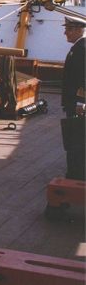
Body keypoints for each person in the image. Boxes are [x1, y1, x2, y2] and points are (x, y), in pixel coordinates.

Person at [61, 16, 85, 180]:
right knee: (75, 139)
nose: (65, 33)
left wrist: (80, 102)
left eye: (68, 29)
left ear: (78, 30)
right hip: (74, 103)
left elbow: (84, 79)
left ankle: (76, 175)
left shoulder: (81, 49)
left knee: (76, 140)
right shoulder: (78, 48)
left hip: (77, 105)